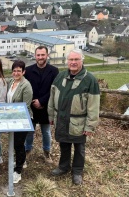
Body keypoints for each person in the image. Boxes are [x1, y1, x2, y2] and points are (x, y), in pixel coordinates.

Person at [48, 49, 100, 185]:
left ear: (82, 60)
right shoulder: (60, 77)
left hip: (78, 121)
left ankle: (77, 171)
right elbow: (52, 98)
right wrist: (51, 115)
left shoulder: (90, 80)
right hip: (62, 118)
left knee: (79, 148)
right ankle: (63, 167)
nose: (73, 62)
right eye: (71, 60)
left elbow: (93, 106)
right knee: (64, 144)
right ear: (67, 62)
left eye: (76, 59)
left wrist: (90, 125)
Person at [24, 46, 59, 164]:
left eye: (42, 55)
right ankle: (27, 149)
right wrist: (34, 101)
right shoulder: (28, 71)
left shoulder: (54, 71)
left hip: (46, 107)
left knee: (46, 132)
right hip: (32, 106)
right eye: (38, 55)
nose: (40, 57)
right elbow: (26, 88)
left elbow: (53, 90)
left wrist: (42, 101)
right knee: (29, 131)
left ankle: (47, 152)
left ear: (47, 56)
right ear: (35, 56)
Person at [7, 60, 33, 184]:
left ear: (23, 72)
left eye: (19, 70)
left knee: (18, 144)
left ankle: (18, 171)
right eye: (14, 70)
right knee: (15, 143)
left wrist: (16, 119)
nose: (16, 73)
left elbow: (26, 106)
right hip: (11, 119)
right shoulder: (11, 82)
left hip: (23, 119)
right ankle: (21, 161)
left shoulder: (26, 85)